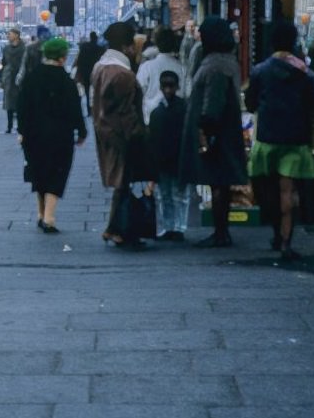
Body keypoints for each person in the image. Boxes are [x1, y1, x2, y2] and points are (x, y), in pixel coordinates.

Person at [245, 20, 314, 261]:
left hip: (268, 138)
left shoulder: (260, 71)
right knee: (288, 192)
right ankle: (286, 243)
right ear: (293, 43)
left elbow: (250, 104)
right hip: (296, 139)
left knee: (267, 189)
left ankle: (275, 234)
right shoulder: (305, 74)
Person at [179, 17, 248, 248]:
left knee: (218, 181)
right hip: (223, 130)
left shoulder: (215, 65)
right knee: (220, 183)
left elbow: (212, 102)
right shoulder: (226, 61)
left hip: (215, 132)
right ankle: (221, 231)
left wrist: (205, 128)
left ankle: (221, 233)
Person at [18, 37, 87, 233]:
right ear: (63, 57)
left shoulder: (32, 77)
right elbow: (75, 109)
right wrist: (81, 132)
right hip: (60, 135)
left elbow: (22, 107)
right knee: (57, 172)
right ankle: (49, 217)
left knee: (38, 171)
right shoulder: (66, 81)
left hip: (33, 135)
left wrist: (22, 131)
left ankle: (41, 213)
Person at [90, 22, 149, 248]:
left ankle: (115, 228)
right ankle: (118, 230)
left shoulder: (101, 66)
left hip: (105, 131)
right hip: (120, 135)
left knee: (121, 183)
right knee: (123, 182)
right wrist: (138, 135)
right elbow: (126, 111)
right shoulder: (122, 73)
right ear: (126, 46)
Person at [149, 70, 188, 241]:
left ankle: (171, 226)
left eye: (170, 86)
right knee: (174, 194)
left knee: (167, 194)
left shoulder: (157, 112)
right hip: (176, 157)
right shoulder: (184, 108)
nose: (168, 89)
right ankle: (176, 226)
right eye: (165, 86)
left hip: (166, 158)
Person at [136, 26, 185, 125]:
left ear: (156, 43)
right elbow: (186, 93)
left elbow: (138, 93)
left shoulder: (146, 67)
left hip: (150, 121)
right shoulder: (182, 68)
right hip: (176, 121)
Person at [0, 28, 27, 133]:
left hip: (20, 77)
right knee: (9, 104)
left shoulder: (24, 48)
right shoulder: (6, 49)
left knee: (20, 103)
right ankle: (9, 126)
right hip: (9, 77)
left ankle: (20, 125)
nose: (8, 36)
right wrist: (1, 79)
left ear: (16, 35)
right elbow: (3, 63)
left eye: (10, 34)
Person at [72, 30, 106, 116]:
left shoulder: (84, 47)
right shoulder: (100, 48)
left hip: (85, 72)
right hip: (97, 72)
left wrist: (78, 69)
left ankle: (88, 110)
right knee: (97, 91)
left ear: (90, 37)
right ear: (96, 38)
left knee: (87, 92)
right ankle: (97, 109)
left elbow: (80, 59)